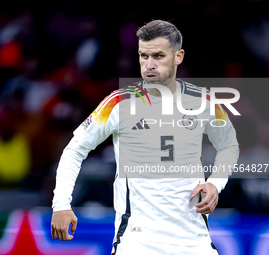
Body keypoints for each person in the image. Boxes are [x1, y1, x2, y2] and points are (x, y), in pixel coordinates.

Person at [51, 20, 239, 255]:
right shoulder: (119, 103)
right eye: (143, 56)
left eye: (158, 56)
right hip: (138, 243)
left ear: (178, 56)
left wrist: (214, 184)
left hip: (194, 242)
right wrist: (61, 204)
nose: (149, 65)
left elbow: (229, 145)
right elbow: (74, 150)